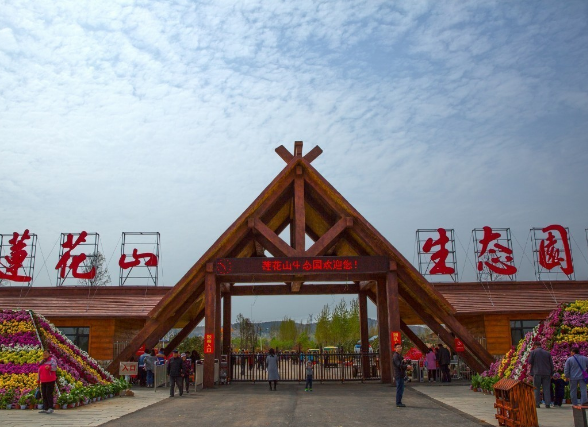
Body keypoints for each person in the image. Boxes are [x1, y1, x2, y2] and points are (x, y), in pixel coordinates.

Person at [528, 340, 554, 408]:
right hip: (547, 373)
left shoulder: (533, 352)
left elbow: (529, 361)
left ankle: (537, 404)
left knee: (536, 388)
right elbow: (551, 364)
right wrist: (551, 373)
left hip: (537, 372)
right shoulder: (547, 353)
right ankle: (547, 404)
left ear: (535, 346)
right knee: (546, 388)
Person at [37, 349, 57, 414]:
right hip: (43, 380)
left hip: (50, 380)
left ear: (49, 354)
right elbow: (39, 371)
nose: (45, 354)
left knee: (49, 394)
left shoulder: (52, 360)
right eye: (44, 353)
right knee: (44, 394)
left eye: (46, 353)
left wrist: (50, 367)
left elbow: (55, 368)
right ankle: (45, 408)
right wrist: (38, 379)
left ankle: (50, 408)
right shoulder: (42, 361)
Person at [392, 343, 408, 407]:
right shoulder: (396, 356)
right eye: (398, 347)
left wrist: (404, 361)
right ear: (395, 348)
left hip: (401, 374)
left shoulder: (399, 355)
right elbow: (399, 365)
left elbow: (401, 363)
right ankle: (398, 402)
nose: (399, 348)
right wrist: (406, 366)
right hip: (398, 374)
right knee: (399, 389)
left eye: (400, 347)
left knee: (401, 389)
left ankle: (399, 402)